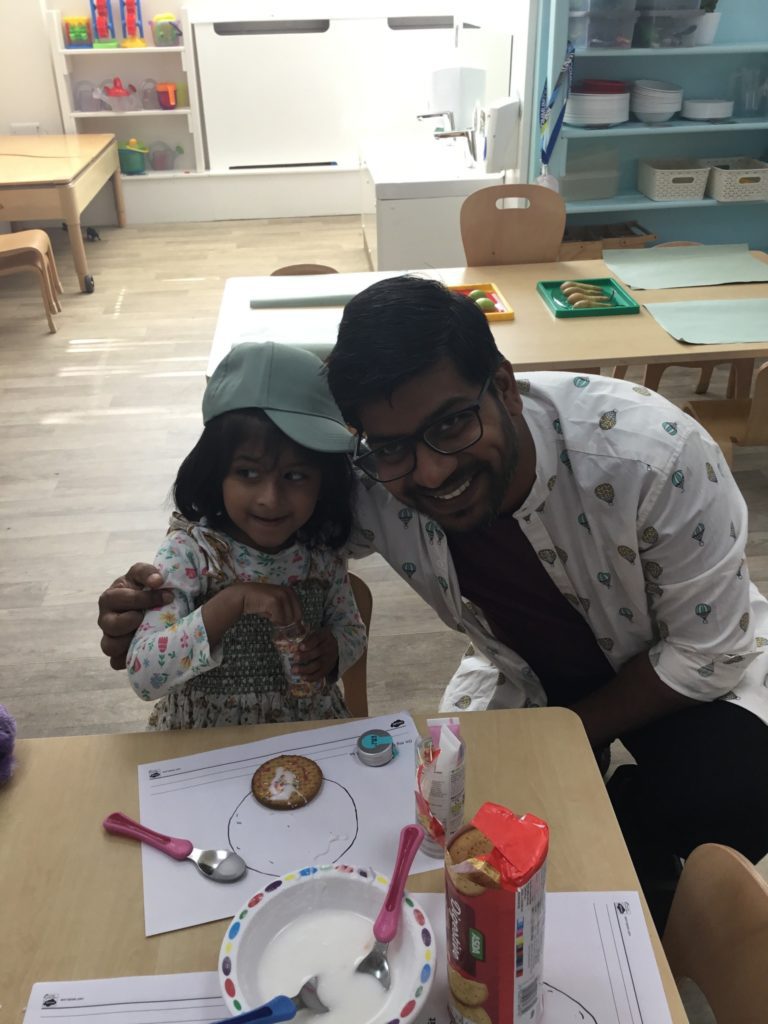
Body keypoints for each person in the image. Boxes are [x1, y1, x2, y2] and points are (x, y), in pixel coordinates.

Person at [98, 276, 768, 925]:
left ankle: (641, 835)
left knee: (739, 790)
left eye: (450, 424)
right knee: (470, 843)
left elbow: (707, 652)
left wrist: (566, 733)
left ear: (503, 385)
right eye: (392, 446)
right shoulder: (369, 482)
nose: (433, 469)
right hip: (525, 674)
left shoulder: (652, 459)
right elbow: (259, 522)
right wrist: (153, 599)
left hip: (675, 666)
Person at [123, 341, 366, 729]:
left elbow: (351, 627)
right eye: (248, 473)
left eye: (295, 475)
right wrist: (232, 602)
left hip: (306, 732)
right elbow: (144, 674)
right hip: (205, 741)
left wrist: (334, 648)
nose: (271, 498)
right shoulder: (189, 553)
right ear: (215, 472)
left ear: (325, 480)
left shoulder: (321, 552)